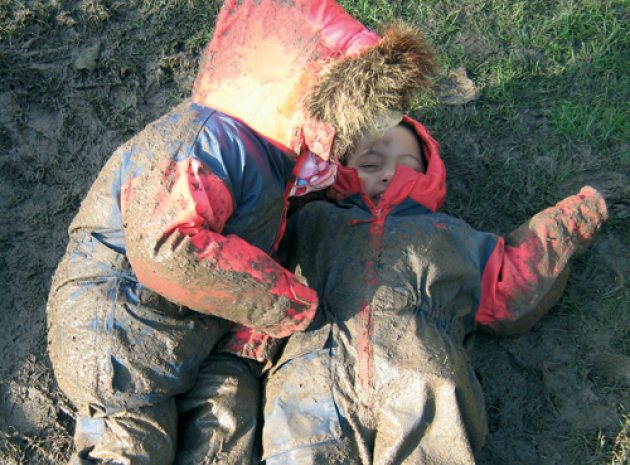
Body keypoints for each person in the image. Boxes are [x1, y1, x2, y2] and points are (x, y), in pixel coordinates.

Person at [45, 0, 437, 464]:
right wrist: (286, 305)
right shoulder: (206, 140)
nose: (359, 135)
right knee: (131, 450)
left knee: (229, 421)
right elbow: (167, 248)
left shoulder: (271, 161)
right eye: (360, 117)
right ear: (308, 89)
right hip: (117, 329)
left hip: (188, 336)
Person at [262, 117, 608, 465]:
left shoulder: (452, 234)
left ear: (429, 178)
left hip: (422, 379)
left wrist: (574, 219)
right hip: (312, 381)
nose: (387, 175)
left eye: (407, 169)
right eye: (369, 164)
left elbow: (513, 285)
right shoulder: (307, 220)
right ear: (336, 170)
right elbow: (254, 258)